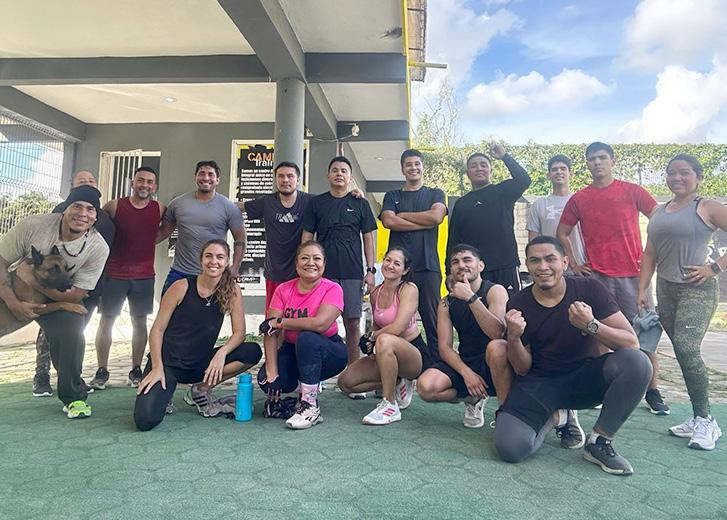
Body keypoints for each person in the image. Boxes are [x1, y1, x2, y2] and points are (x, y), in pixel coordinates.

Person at [495, 236, 651, 476]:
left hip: (584, 379)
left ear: (565, 262)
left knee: (637, 363)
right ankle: (557, 417)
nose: (543, 267)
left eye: (550, 259)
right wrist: (514, 338)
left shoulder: (589, 289)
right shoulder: (518, 303)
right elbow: (522, 368)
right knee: (510, 449)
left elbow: (631, 342)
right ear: (527, 265)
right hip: (540, 383)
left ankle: (599, 441)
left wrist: (592, 325)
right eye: (535, 261)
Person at [556, 142, 667, 415]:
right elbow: (562, 233)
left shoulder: (633, 191)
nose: (597, 162)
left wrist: (650, 255)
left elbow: (660, 220)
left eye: (602, 157)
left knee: (644, 334)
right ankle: (604, 389)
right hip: (597, 278)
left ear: (612, 160)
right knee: (599, 335)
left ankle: (653, 391)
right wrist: (576, 264)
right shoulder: (579, 198)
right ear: (587, 164)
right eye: (591, 158)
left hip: (634, 277)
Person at [639, 154, 726, 450]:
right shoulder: (659, 211)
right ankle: (696, 416)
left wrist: (713, 268)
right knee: (681, 351)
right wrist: (642, 288)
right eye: (671, 173)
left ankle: (706, 420)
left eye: (684, 172)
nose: (677, 178)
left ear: (698, 177)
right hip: (666, 289)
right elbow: (650, 253)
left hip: (697, 290)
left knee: (688, 348)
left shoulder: (707, 207)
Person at [0, 185, 109, 418]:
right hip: (11, 293)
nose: (83, 213)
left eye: (90, 209)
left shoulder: (98, 248)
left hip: (57, 298)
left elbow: (76, 294)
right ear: (64, 209)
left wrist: (33, 280)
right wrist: (12, 302)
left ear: (95, 217)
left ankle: (73, 396)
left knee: (72, 332)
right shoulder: (33, 226)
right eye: (77, 206)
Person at [134, 239, 262, 431]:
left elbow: (240, 333)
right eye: (209, 256)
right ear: (201, 260)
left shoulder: (232, 290)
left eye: (220, 257)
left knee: (252, 351)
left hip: (201, 365)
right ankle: (165, 393)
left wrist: (221, 354)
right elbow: (157, 330)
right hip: (168, 364)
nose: (214, 261)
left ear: (227, 261)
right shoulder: (181, 287)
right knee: (145, 420)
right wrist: (157, 367)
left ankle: (201, 389)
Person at [32, 170, 115, 397]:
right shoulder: (57, 216)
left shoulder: (105, 222)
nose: (87, 183)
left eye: (91, 181)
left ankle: (71, 380)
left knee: (74, 334)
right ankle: (42, 375)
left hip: (86, 287)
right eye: (81, 181)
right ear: (71, 189)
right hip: (51, 286)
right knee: (50, 333)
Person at [338, 247, 438, 425]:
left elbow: (398, 327)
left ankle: (390, 404)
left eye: (397, 263)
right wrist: (370, 347)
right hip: (386, 350)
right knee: (345, 383)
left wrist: (372, 336)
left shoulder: (409, 289)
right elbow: (377, 326)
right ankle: (396, 381)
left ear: (405, 270)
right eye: (388, 260)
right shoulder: (375, 293)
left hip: (413, 354)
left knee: (385, 339)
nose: (390, 265)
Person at [416, 244, 510, 428]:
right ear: (451, 269)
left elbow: (497, 333)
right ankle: (472, 397)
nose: (461, 265)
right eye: (455, 262)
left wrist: (470, 298)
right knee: (426, 387)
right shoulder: (446, 302)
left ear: (480, 265)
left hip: (497, 361)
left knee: (496, 348)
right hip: (467, 361)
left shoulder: (495, 290)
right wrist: (467, 373)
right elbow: (444, 348)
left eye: (467, 260)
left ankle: (506, 413)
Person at [257, 240, 347, 430]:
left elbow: (320, 324)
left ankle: (310, 405)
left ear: (324, 264)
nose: (310, 263)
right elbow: (270, 329)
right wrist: (273, 374)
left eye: (317, 258)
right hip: (293, 350)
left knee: (307, 337)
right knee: (265, 379)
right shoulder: (283, 289)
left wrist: (282, 322)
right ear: (297, 264)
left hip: (328, 351)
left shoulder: (333, 288)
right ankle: (302, 389)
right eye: (305, 258)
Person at [89, 166, 165, 390]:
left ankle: (136, 370)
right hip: (114, 274)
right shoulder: (114, 206)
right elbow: (98, 226)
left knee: (139, 322)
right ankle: (102, 371)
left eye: (149, 182)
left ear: (155, 186)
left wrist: (150, 241)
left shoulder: (160, 209)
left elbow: (168, 227)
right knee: (107, 320)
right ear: (132, 183)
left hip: (144, 275)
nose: (144, 185)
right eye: (140, 180)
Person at [301, 156, 377, 368]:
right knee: (320, 323)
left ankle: (353, 371)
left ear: (350, 177)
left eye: (344, 171)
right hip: (322, 274)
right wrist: (304, 266)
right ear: (328, 175)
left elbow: (368, 238)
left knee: (352, 323)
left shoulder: (360, 203)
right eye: (335, 170)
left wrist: (371, 270)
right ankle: (318, 370)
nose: (339, 174)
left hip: (352, 273)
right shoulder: (317, 203)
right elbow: (307, 236)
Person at [379, 149, 447, 355]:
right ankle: (402, 364)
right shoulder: (392, 195)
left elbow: (436, 217)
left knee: (432, 320)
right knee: (396, 320)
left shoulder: (435, 193)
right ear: (402, 169)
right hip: (398, 269)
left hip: (427, 266)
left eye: (417, 164)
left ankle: (437, 363)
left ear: (423, 167)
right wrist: (423, 222)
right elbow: (388, 221)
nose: (413, 168)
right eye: (408, 164)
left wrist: (403, 215)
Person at [447, 143, 531, 292]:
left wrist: (504, 156)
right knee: (474, 305)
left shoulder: (503, 191)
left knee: (511, 305)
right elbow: (454, 239)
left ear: (490, 170)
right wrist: (449, 271)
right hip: (474, 269)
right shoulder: (462, 203)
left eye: (483, 165)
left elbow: (524, 180)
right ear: (468, 173)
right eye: (474, 166)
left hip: (505, 265)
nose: (479, 168)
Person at [157, 160, 246, 293]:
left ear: (217, 180)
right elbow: (163, 232)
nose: (206, 178)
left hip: (213, 275)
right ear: (195, 177)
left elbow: (240, 239)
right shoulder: (177, 204)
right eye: (202, 174)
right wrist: (137, 245)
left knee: (214, 308)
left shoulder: (229, 207)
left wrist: (235, 267)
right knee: (167, 306)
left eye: (211, 174)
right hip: (180, 272)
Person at [242, 161, 314, 311]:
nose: (285, 180)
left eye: (290, 176)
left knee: (298, 317)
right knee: (273, 318)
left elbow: (332, 202)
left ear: (298, 180)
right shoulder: (267, 201)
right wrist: (213, 201)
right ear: (275, 179)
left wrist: (354, 195)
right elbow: (239, 207)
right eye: (281, 176)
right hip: (274, 273)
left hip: (300, 273)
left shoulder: (310, 201)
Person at [526, 154, 586, 267]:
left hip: (580, 266)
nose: (559, 172)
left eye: (563, 169)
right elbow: (533, 240)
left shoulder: (581, 202)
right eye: (554, 169)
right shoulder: (539, 205)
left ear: (571, 174)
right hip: (550, 268)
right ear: (548, 175)